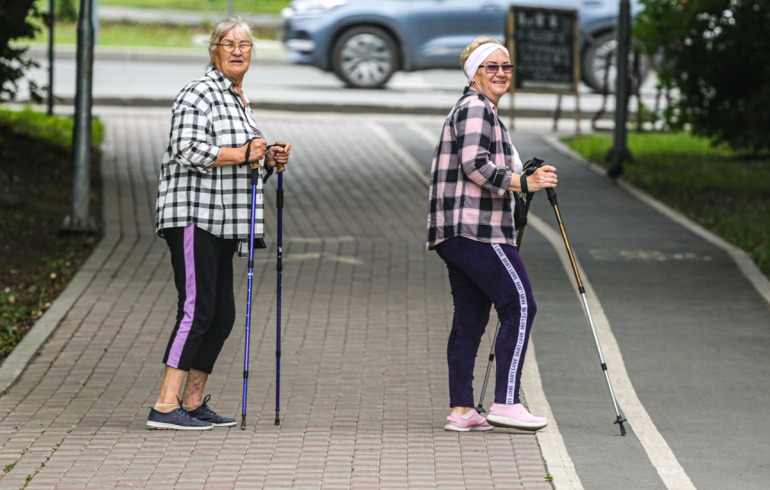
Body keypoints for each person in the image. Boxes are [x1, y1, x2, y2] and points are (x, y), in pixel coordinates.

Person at [147, 18, 291, 430]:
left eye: (245, 44)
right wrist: (243, 152)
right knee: (196, 310)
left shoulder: (239, 99)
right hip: (194, 215)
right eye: (228, 44)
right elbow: (186, 149)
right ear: (214, 51)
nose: (237, 50)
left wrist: (267, 159)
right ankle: (164, 405)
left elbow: (243, 160)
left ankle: (193, 402)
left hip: (226, 221)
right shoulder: (199, 92)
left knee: (222, 315)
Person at [426, 36, 558, 432]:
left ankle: (462, 411)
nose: (501, 73)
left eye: (506, 67)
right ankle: (507, 402)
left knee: (470, 317)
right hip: (476, 230)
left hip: (458, 231)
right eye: (491, 67)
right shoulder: (475, 108)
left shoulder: (480, 109)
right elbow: (474, 164)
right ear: (474, 73)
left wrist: (522, 178)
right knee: (520, 305)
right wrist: (524, 182)